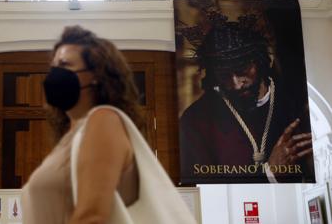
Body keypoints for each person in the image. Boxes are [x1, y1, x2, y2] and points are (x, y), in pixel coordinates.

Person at [21, 25, 196, 224]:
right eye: (53, 67)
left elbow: (92, 217)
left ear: (96, 74)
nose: (54, 74)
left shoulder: (103, 121)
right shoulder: (71, 136)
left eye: (64, 65)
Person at [179, 18, 314, 183]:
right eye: (224, 75)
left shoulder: (297, 103)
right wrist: (269, 174)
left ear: (260, 60)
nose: (236, 84)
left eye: (242, 69)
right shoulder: (195, 121)